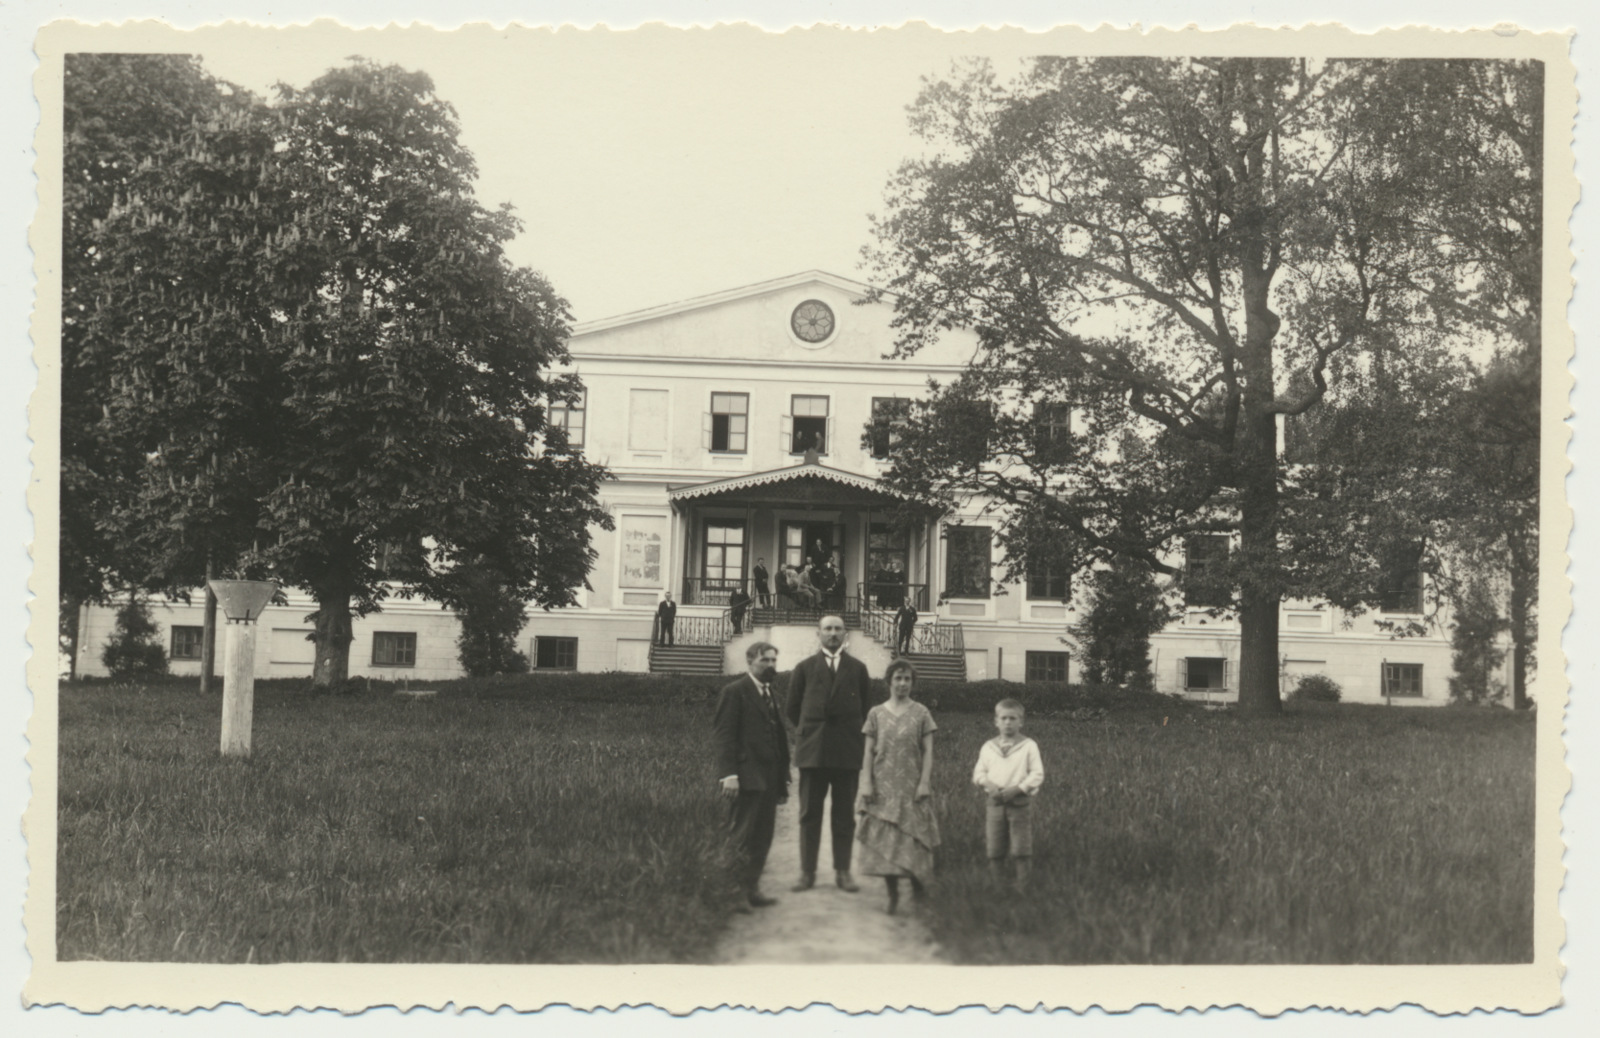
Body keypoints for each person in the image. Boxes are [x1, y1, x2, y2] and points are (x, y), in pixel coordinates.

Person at [784, 614, 872, 893]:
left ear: (846, 634)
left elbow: (866, 709)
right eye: (827, 629)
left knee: (844, 814)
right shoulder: (804, 668)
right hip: (814, 752)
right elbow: (792, 709)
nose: (833, 633)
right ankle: (807, 872)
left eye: (838, 629)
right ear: (818, 633)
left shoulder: (858, 669)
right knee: (810, 813)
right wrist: (811, 733)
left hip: (847, 752)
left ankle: (843, 871)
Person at [856, 659, 939, 915]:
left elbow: (928, 752)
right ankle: (892, 894)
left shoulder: (922, 713)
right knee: (886, 842)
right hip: (883, 785)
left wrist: (924, 782)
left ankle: (918, 893)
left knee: (915, 838)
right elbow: (868, 752)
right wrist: (866, 783)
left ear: (912, 683)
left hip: (912, 785)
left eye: (907, 680)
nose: (902, 684)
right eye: (898, 679)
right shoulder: (876, 713)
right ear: (889, 682)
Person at [714, 642, 789, 912]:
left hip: (768, 779)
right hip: (745, 778)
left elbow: (778, 738)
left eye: (773, 660)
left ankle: (752, 888)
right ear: (749, 662)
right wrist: (729, 774)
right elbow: (724, 737)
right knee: (741, 836)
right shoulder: (734, 692)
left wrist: (782, 778)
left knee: (763, 836)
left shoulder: (770, 694)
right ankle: (733, 893)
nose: (770, 666)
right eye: (764, 661)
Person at [972, 698, 1045, 889]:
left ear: (1021, 721)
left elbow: (1037, 774)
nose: (1008, 723)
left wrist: (1018, 789)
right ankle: (998, 885)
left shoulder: (1029, 746)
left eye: (1013, 718)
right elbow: (979, 773)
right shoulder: (988, 747)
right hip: (995, 802)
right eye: (1003, 718)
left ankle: (1022, 885)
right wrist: (989, 784)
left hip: (1019, 802)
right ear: (996, 721)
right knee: (995, 846)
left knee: (1021, 846)